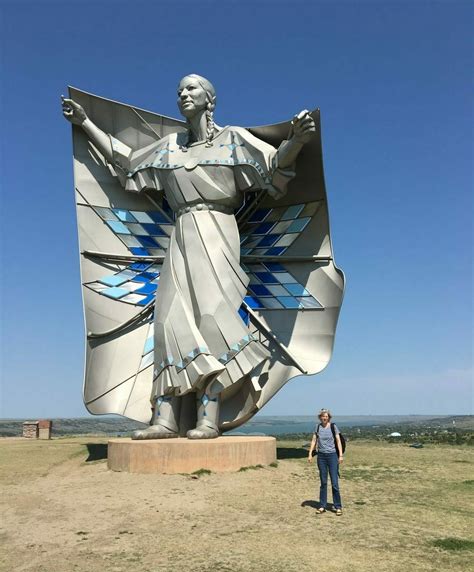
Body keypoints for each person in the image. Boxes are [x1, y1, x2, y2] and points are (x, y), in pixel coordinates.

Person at [62, 74, 316, 440]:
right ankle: (164, 417)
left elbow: (274, 169)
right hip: (181, 233)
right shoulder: (169, 148)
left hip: (218, 231)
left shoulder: (233, 140)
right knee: (168, 319)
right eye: (179, 89)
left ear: (210, 99)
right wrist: (85, 123)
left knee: (213, 317)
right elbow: (127, 165)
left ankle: (208, 419)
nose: (182, 93)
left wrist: (297, 139)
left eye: (191, 88)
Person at [307, 408, 343, 514]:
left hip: (332, 456)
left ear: (329, 417)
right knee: (323, 482)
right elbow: (314, 440)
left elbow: (338, 440)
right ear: (320, 417)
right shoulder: (317, 427)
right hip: (321, 457)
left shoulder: (333, 427)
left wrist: (340, 455)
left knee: (334, 483)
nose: (325, 418)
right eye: (323, 416)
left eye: (326, 416)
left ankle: (338, 506)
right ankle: (322, 506)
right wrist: (310, 454)